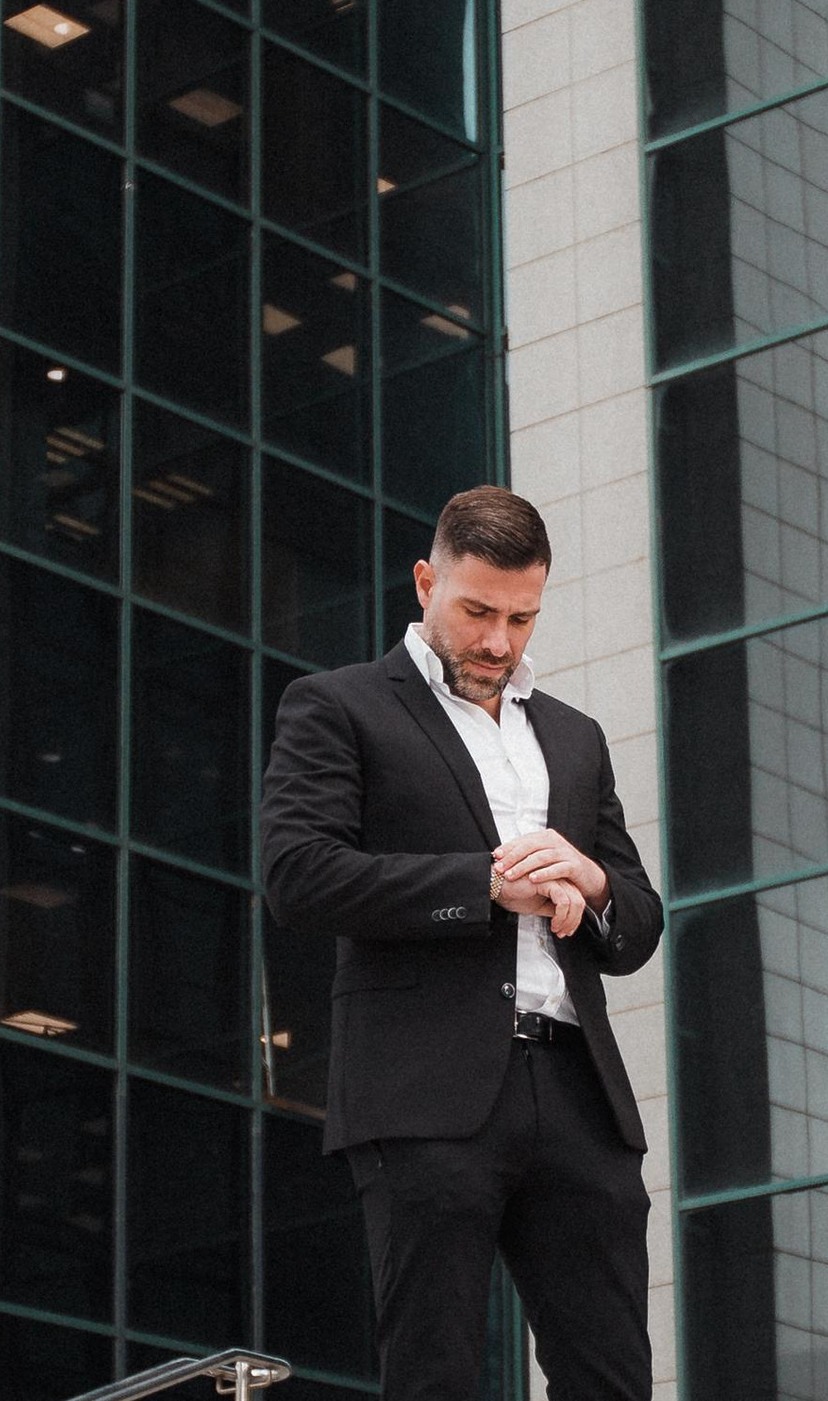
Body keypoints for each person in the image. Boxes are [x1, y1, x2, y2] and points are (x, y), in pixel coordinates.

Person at [261, 485, 663, 1401]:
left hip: (578, 1094)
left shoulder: (575, 736)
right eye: (478, 611)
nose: (498, 641)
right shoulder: (338, 707)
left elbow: (637, 921)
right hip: (424, 1092)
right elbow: (298, 874)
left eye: (522, 618)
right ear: (425, 582)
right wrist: (481, 884)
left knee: (614, 1380)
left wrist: (593, 881)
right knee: (434, 1374)